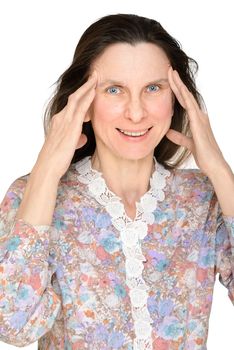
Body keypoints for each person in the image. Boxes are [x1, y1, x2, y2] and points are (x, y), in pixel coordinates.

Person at [0, 13, 233, 350]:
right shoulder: (33, 196)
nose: (136, 113)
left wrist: (221, 171)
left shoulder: (202, 198)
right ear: (84, 103)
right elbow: (13, 325)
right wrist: (47, 170)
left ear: (177, 100)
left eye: (153, 88)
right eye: (114, 90)